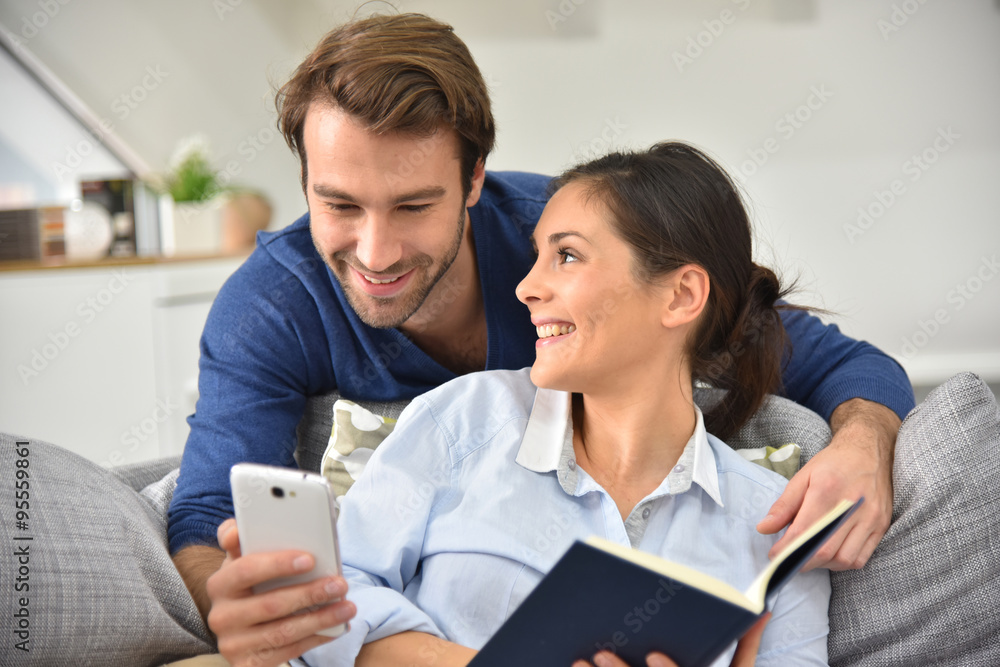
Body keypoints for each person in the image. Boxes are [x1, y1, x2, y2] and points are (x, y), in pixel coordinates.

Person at [170, 11, 913, 663]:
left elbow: (832, 358)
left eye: (414, 204)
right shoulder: (278, 309)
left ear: (472, 182)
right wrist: (242, 610)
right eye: (338, 204)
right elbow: (208, 516)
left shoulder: (558, 229)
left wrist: (862, 442)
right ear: (304, 184)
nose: (375, 251)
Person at [219, 141, 834, 667]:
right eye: (538, 253)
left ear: (680, 296)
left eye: (566, 255)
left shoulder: (773, 529)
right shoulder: (464, 421)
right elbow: (328, 613)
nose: (525, 286)